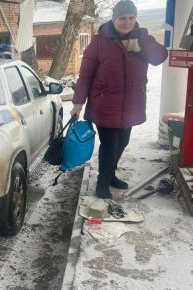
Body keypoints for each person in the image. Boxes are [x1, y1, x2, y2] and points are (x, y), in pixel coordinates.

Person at [70, 0, 167, 199]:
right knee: (109, 145)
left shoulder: (142, 38)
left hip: (131, 105)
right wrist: (78, 105)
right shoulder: (99, 42)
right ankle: (102, 185)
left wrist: (139, 47)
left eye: (131, 18)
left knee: (123, 142)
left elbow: (159, 57)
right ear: (114, 20)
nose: (127, 22)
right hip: (105, 104)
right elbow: (85, 75)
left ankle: (110, 175)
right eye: (122, 18)